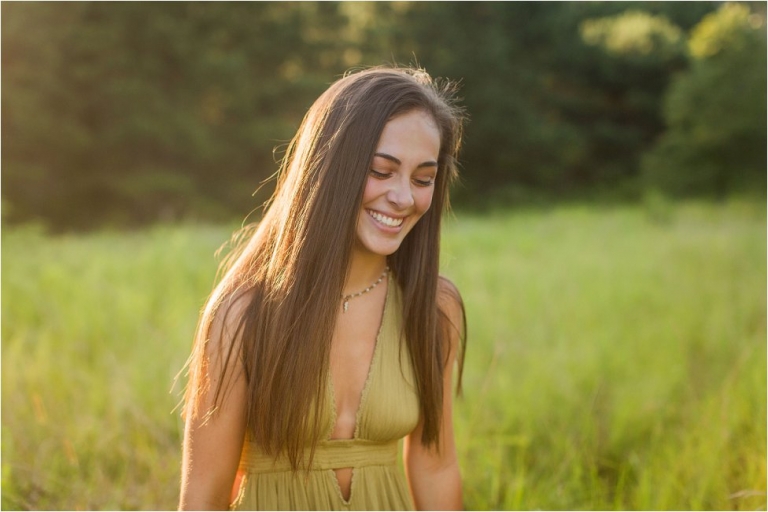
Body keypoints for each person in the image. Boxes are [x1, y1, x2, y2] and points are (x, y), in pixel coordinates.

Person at [178, 66, 467, 511]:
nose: (404, 197)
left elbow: (436, 466)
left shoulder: (433, 310)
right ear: (329, 168)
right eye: (381, 171)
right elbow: (204, 495)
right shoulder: (243, 313)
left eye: (422, 178)